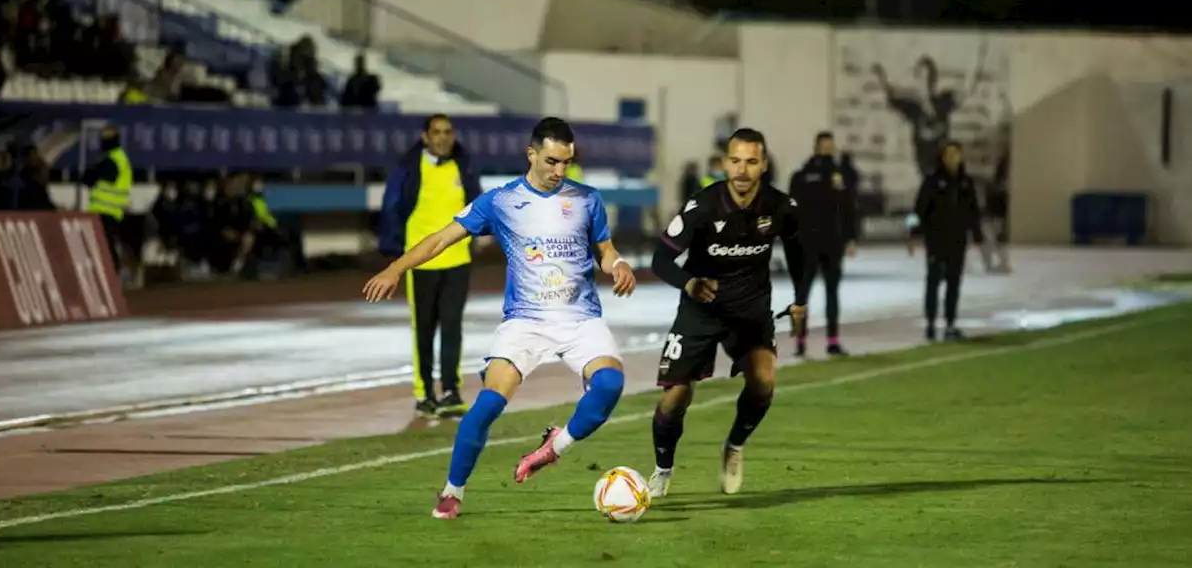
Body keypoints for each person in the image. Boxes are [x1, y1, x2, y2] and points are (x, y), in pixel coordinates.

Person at [362, 117, 637, 520]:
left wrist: (619, 264)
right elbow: (441, 238)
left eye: (566, 162)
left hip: (580, 318)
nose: (559, 171)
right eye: (551, 161)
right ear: (531, 154)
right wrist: (395, 268)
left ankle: (552, 449)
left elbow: (605, 250)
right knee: (486, 407)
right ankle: (453, 491)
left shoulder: (586, 198)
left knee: (611, 383)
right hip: (525, 321)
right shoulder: (501, 201)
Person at [647, 127, 809, 499]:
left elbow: (799, 251)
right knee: (674, 399)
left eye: (751, 162)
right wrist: (688, 283)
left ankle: (734, 447)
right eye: (735, 161)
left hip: (750, 311)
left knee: (764, 382)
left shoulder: (780, 207)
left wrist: (800, 299)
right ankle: (663, 469)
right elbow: (661, 259)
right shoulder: (703, 206)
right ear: (724, 164)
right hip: (700, 311)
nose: (742, 170)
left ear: (764, 165)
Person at [378, 114, 484, 419]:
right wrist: (395, 248)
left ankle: (450, 391)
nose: (442, 137)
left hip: (458, 259)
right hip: (421, 263)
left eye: (447, 132)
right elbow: (392, 206)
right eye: (436, 132)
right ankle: (424, 393)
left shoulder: (463, 166)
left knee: (452, 327)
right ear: (425, 137)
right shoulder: (410, 167)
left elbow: (477, 205)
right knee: (423, 329)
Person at [788, 131, 859, 357]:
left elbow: (849, 208)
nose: (829, 148)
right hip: (807, 242)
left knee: (832, 292)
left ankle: (833, 340)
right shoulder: (802, 175)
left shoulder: (841, 176)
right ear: (817, 146)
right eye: (825, 145)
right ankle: (800, 341)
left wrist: (851, 238)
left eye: (831, 144)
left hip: (833, 241)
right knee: (802, 294)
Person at [914, 141, 985, 341]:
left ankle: (950, 324)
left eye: (956, 155)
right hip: (936, 240)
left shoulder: (966, 183)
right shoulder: (932, 181)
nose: (953, 159)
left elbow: (973, 210)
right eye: (949, 155)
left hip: (958, 240)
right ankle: (930, 323)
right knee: (933, 282)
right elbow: (918, 209)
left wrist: (977, 234)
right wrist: (913, 233)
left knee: (954, 283)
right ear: (942, 158)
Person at [82, 126, 133, 272]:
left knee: (105, 248)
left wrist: (93, 170)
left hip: (104, 211)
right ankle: (112, 275)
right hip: (112, 211)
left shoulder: (112, 160)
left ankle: (112, 276)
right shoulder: (120, 158)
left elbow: (88, 178)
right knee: (106, 247)